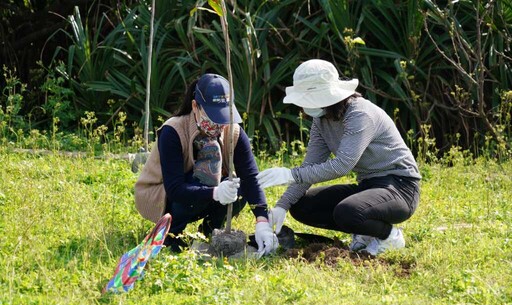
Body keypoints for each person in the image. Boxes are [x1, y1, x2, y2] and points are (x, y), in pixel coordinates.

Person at [257, 59, 421, 256]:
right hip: (368, 185)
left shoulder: (360, 114)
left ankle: (389, 236)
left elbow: (342, 165)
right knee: (302, 206)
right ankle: (365, 233)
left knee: (349, 211)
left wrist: (291, 174)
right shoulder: (321, 120)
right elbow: (311, 164)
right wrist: (282, 205)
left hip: (400, 187)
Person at [135, 73, 278, 256]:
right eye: (212, 116)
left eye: (223, 117)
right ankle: (173, 234)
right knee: (206, 179)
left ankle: (211, 230)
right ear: (195, 106)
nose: (219, 124)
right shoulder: (173, 131)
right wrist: (215, 192)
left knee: (239, 187)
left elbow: (251, 178)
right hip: (166, 196)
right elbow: (175, 189)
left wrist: (262, 221)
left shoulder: (233, 132)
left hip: (204, 193)